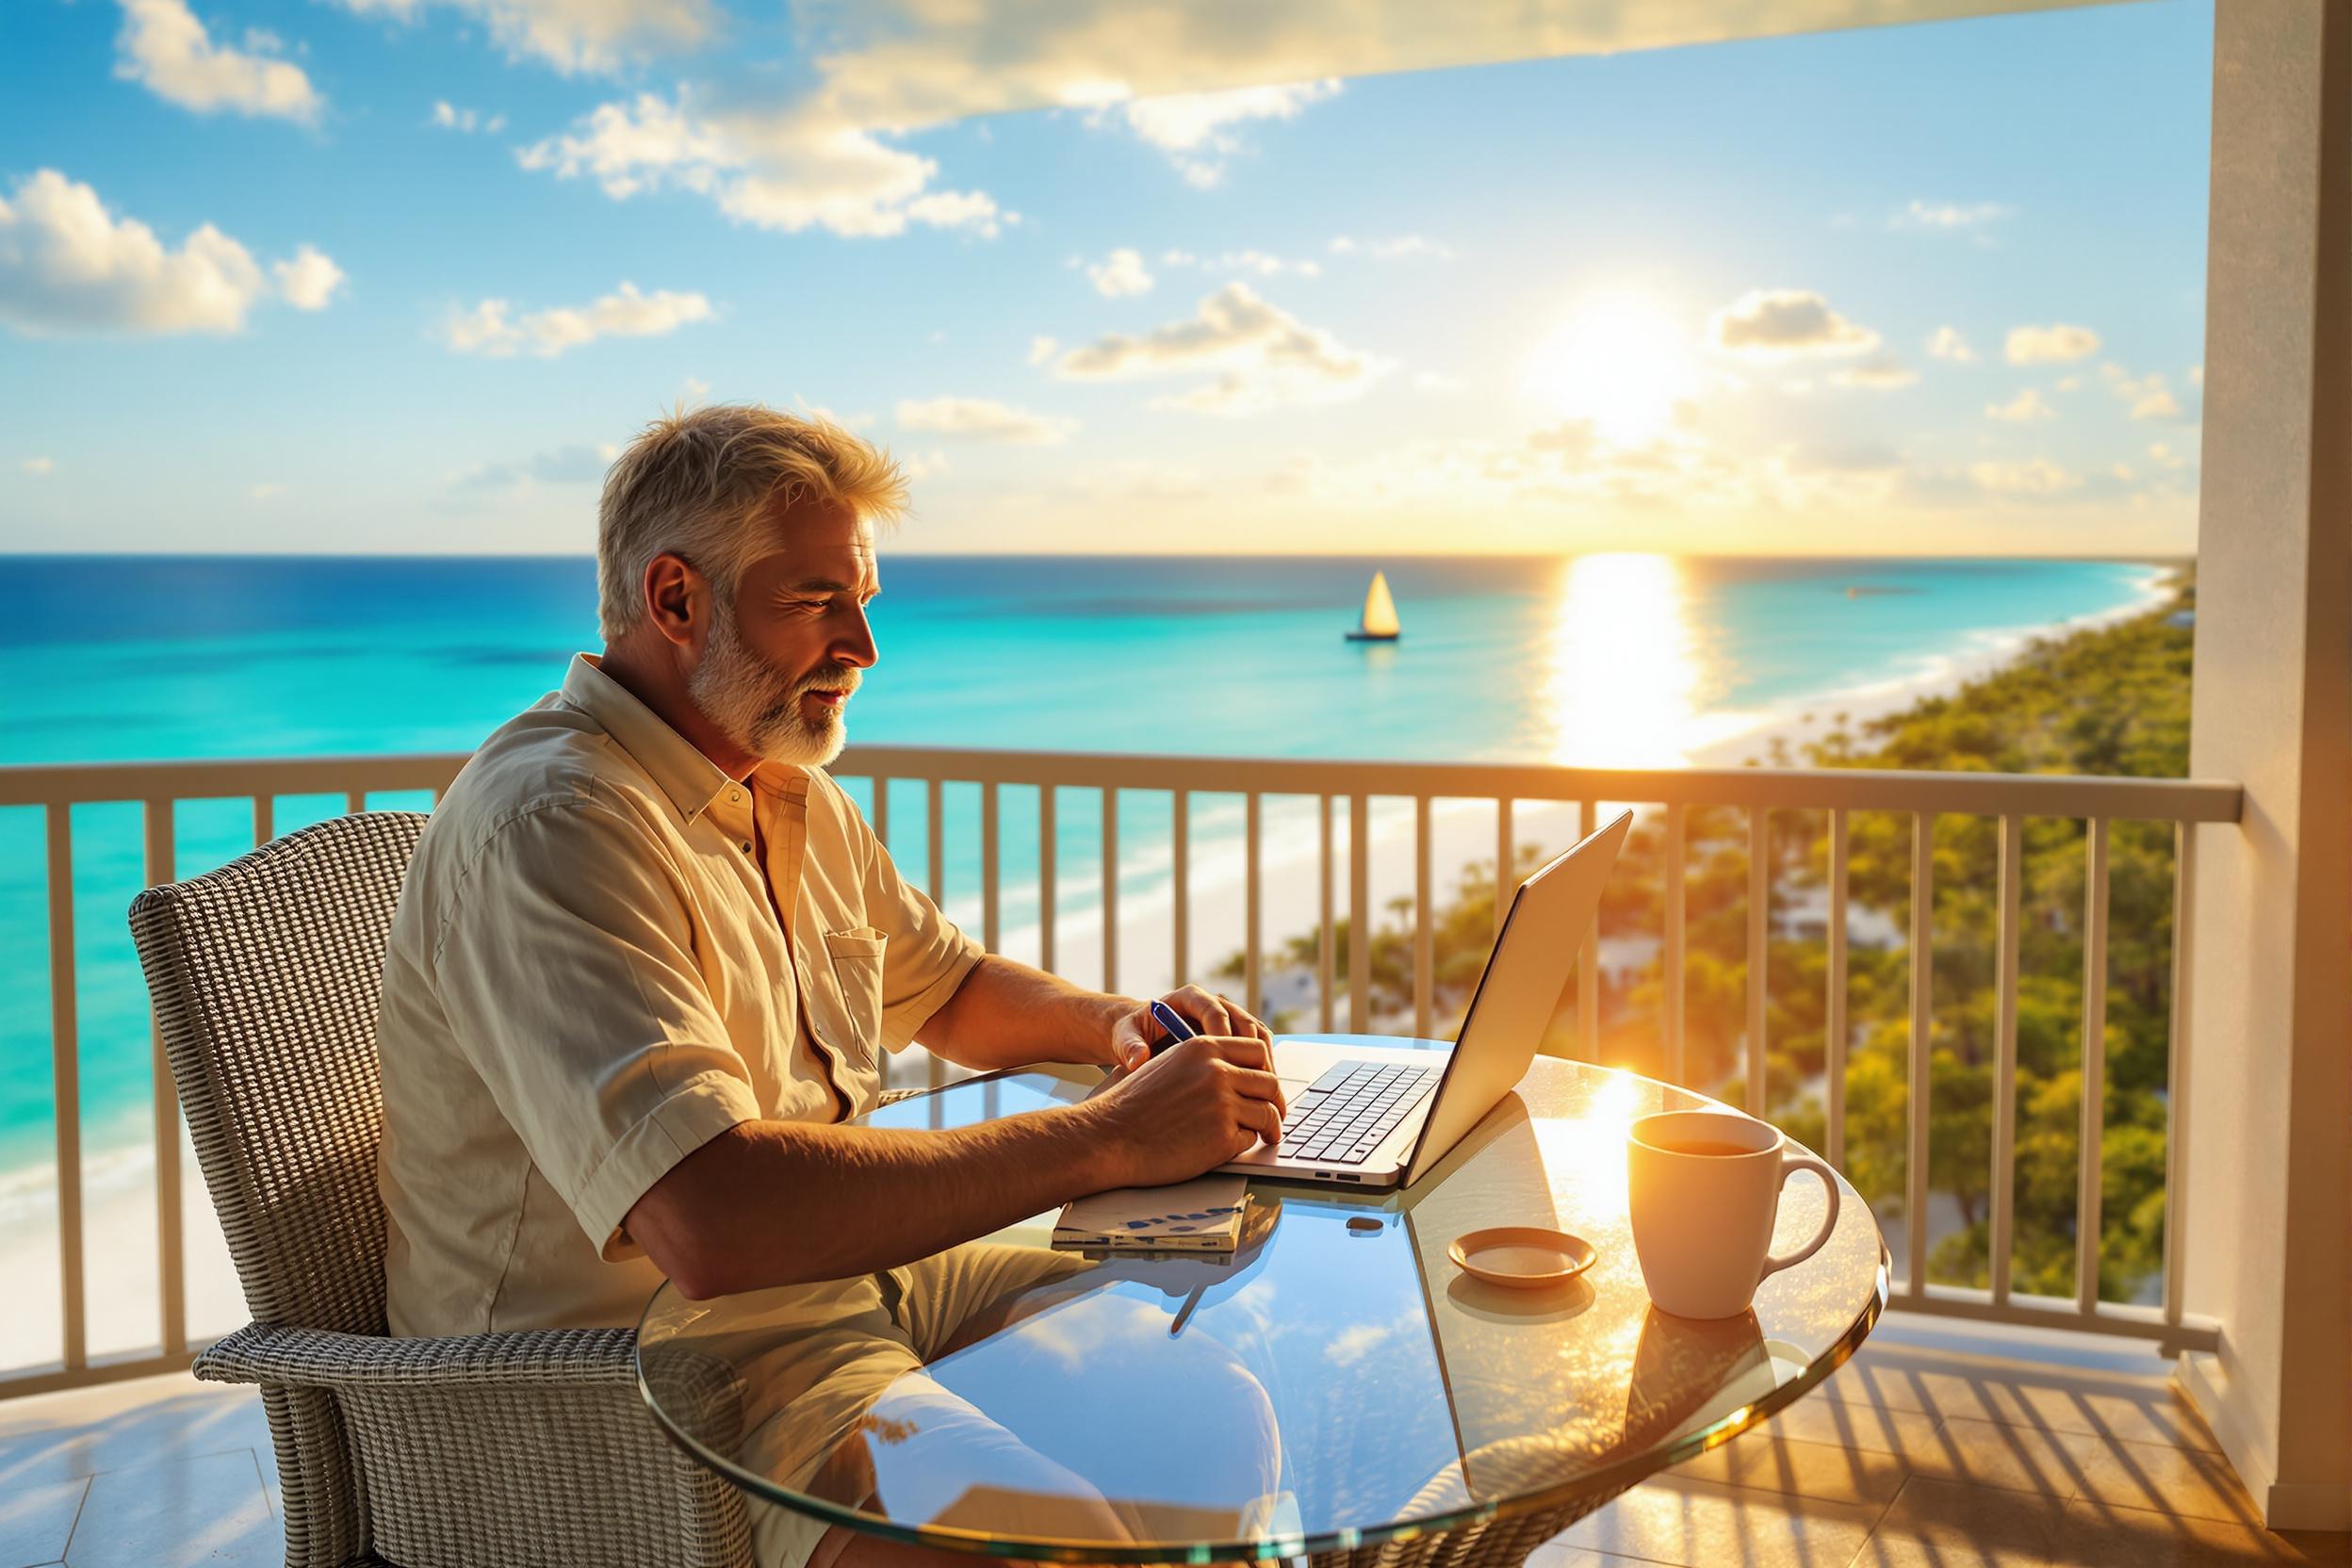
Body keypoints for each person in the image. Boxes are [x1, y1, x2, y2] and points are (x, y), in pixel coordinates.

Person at [374, 403, 1291, 1564]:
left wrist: (1116, 1026)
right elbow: (711, 1216)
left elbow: (948, 988)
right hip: (630, 1376)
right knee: (1037, 1540)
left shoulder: (782, 789)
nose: (863, 644)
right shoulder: (559, 824)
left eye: (862, 600)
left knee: (1203, 1405)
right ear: (675, 600)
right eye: (816, 602)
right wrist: (1107, 1141)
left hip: (839, 1284)